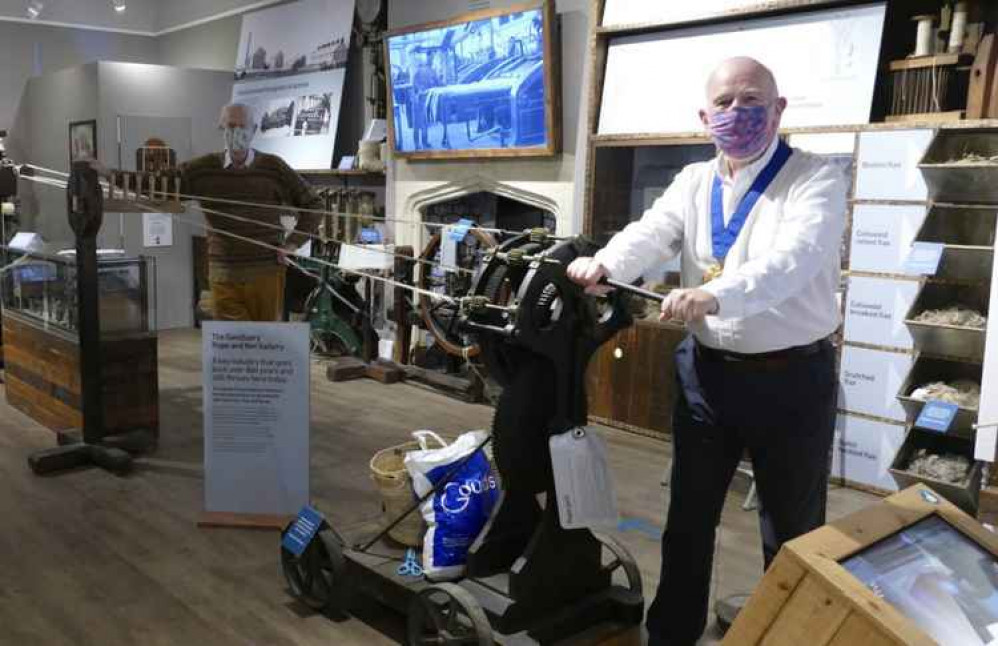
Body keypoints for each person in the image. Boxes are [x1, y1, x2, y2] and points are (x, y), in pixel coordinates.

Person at [568, 57, 846, 645]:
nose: (738, 112)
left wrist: (715, 295)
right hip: (707, 376)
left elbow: (793, 262)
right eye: (725, 102)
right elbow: (652, 229)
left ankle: (786, 637)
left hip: (793, 379)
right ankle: (671, 635)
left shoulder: (817, 177)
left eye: (753, 99)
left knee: (792, 530)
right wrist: (608, 264)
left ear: (779, 109)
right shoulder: (694, 181)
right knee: (688, 521)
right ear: (704, 115)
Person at [179, 103, 323, 322]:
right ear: (221, 128)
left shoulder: (273, 168)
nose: (236, 132)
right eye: (230, 126)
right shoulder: (202, 170)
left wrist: (293, 243)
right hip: (224, 276)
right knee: (232, 347)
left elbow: (314, 204)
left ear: (254, 130)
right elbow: (155, 183)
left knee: (264, 343)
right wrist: (107, 174)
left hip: (266, 275)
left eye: (242, 126)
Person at [412, 53, 440, 149]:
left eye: (432, 58)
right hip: (418, 99)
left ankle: (424, 142)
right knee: (417, 123)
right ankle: (416, 144)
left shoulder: (432, 70)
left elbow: (437, 82)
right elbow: (414, 83)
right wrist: (419, 90)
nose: (431, 60)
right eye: (430, 58)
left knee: (425, 122)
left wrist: (442, 85)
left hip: (426, 99)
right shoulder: (418, 69)